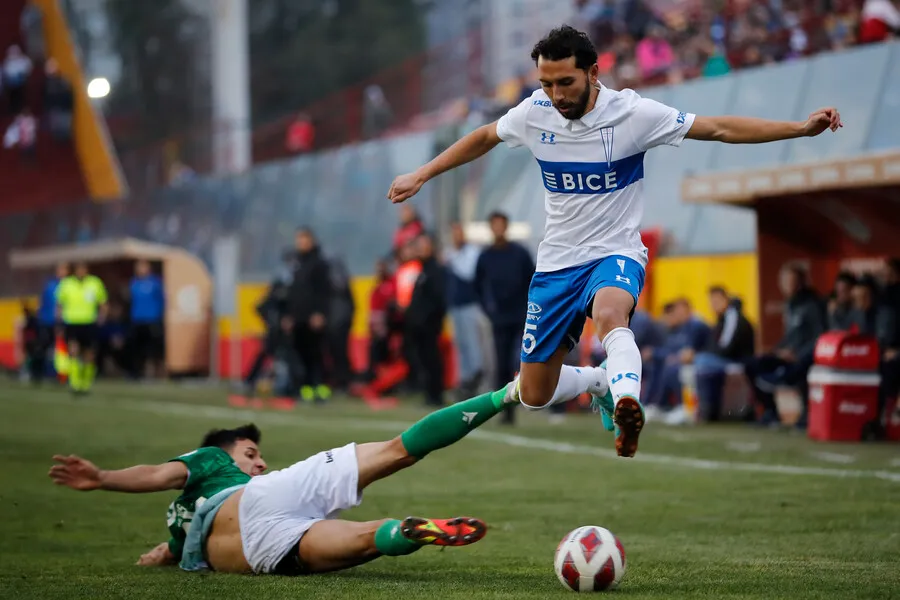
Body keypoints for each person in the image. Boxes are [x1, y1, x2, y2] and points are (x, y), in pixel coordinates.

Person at [388, 25, 842, 457]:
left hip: (614, 253)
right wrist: (423, 174)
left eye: (565, 82)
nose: (555, 94)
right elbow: (486, 136)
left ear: (593, 72)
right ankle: (600, 384)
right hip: (555, 266)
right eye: (546, 84)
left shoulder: (633, 115)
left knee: (610, 315)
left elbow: (719, 128)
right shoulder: (535, 113)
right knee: (534, 393)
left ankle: (628, 403)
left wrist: (799, 129)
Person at [48, 385, 526, 575]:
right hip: (264, 504)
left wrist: (164, 554)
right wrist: (104, 477)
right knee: (397, 450)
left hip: (260, 554)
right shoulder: (213, 459)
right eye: (250, 453)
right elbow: (158, 473)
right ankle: (506, 393)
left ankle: (403, 533)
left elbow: (175, 546)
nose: (257, 460)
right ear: (224, 450)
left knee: (368, 539)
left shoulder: (184, 534)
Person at [744, 264, 825, 429]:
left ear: (801, 282)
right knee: (752, 363)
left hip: (805, 355)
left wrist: (798, 353)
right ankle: (770, 412)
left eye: (791, 280)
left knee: (801, 366)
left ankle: (807, 413)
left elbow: (819, 336)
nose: (787, 284)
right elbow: (790, 336)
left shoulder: (812, 304)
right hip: (787, 354)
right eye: (784, 280)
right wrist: (775, 350)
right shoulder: (790, 304)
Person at [473, 211, 534, 424]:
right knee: (500, 364)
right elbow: (478, 286)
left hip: (521, 316)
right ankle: (506, 410)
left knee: (522, 360)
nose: (498, 228)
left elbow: (533, 279)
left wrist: (529, 308)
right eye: (494, 225)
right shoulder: (486, 256)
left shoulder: (520, 254)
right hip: (498, 319)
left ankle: (530, 400)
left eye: (501, 224)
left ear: (506, 227)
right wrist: (488, 310)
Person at [693, 287, 755, 422]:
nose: (713, 305)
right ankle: (707, 409)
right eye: (711, 302)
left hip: (739, 360)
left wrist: (705, 355)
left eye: (716, 301)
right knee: (702, 363)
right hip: (727, 359)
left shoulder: (732, 316)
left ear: (725, 300)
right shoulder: (721, 319)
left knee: (701, 361)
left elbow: (726, 347)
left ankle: (707, 410)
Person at [288, 228, 332, 403]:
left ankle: (320, 390)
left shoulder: (319, 263)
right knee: (302, 355)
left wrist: (320, 313)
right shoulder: (296, 263)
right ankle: (306, 390)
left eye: (304, 238)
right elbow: (294, 293)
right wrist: (290, 316)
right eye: (298, 239)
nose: (300, 242)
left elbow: (324, 292)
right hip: (299, 318)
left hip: (313, 318)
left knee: (317, 355)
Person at [405, 233, 448, 407]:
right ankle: (428, 394)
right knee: (423, 360)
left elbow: (438, 300)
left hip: (429, 325)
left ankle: (435, 396)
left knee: (432, 360)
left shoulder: (435, 271)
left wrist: (428, 319)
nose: (420, 249)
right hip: (419, 326)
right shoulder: (422, 270)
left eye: (423, 245)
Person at [55, 262, 108, 395]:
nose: (81, 272)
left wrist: (102, 317)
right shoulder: (67, 284)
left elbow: (103, 302)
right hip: (72, 322)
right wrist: (59, 323)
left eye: (83, 269)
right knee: (73, 351)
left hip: (89, 323)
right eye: (79, 269)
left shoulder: (95, 283)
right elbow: (59, 304)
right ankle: (75, 383)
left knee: (89, 355)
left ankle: (86, 383)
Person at [445, 222, 485, 398]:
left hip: (469, 303)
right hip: (455, 305)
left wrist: (454, 258)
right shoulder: (451, 253)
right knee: (460, 344)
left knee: (472, 342)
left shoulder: (470, 253)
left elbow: (468, 273)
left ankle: (477, 376)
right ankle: (465, 380)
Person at [128, 260, 165, 379]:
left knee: (152, 348)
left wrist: (160, 315)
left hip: (152, 319)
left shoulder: (155, 283)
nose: (140, 270)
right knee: (137, 348)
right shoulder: (133, 283)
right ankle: (137, 372)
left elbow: (162, 300)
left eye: (142, 267)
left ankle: (153, 372)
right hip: (137, 320)